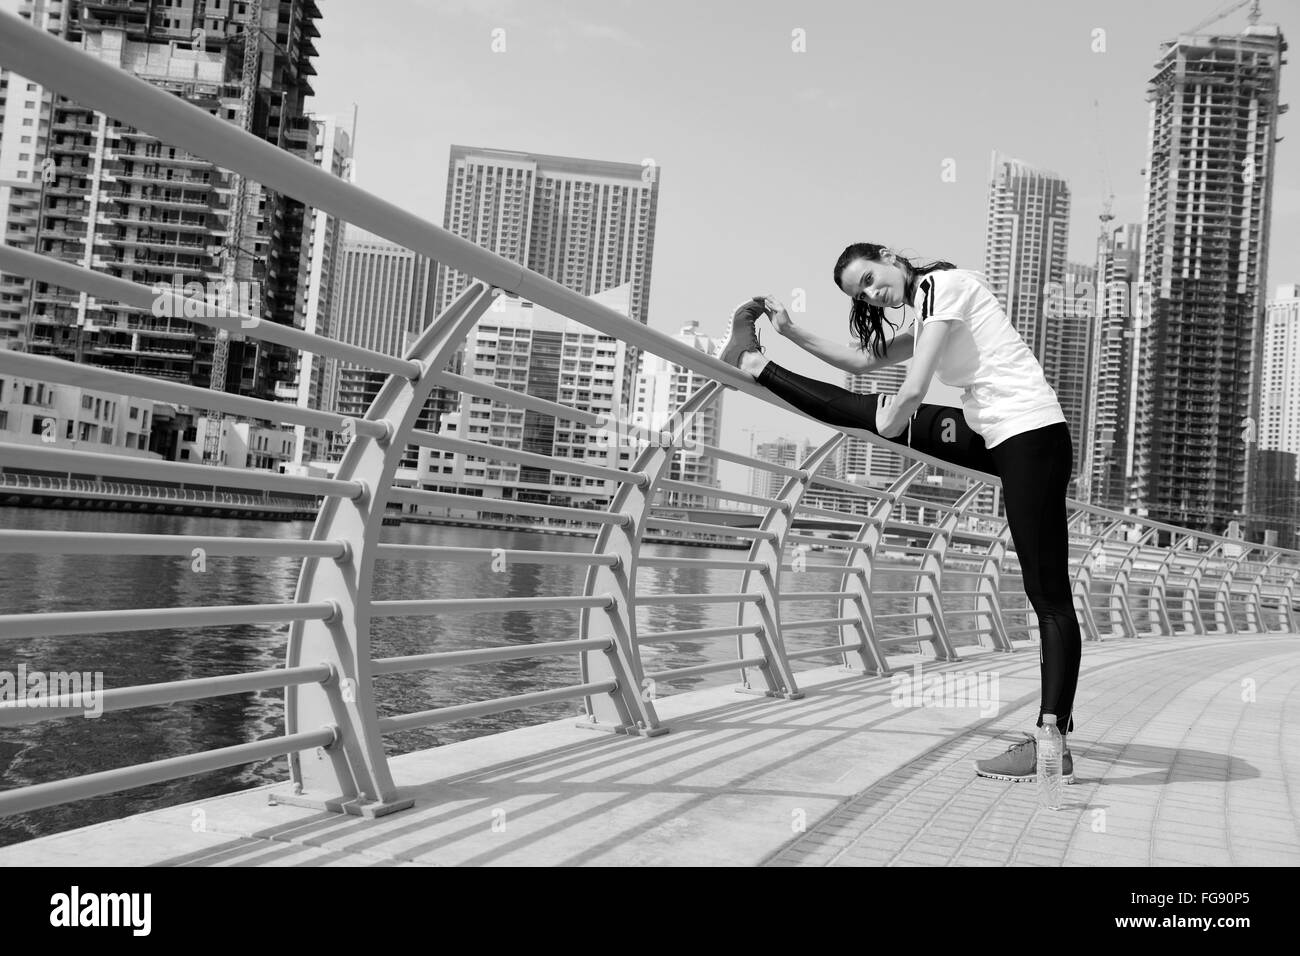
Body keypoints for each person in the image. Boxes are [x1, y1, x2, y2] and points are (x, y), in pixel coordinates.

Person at [715, 242, 1081, 784]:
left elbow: (912, 388)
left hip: (1029, 437)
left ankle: (1052, 739)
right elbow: (862, 361)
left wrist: (889, 421)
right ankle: (753, 359)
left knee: (1047, 597)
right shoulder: (933, 304)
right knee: (869, 409)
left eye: (869, 277)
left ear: (890, 255)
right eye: (860, 291)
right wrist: (792, 333)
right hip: (999, 434)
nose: (872, 292)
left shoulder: (942, 286)